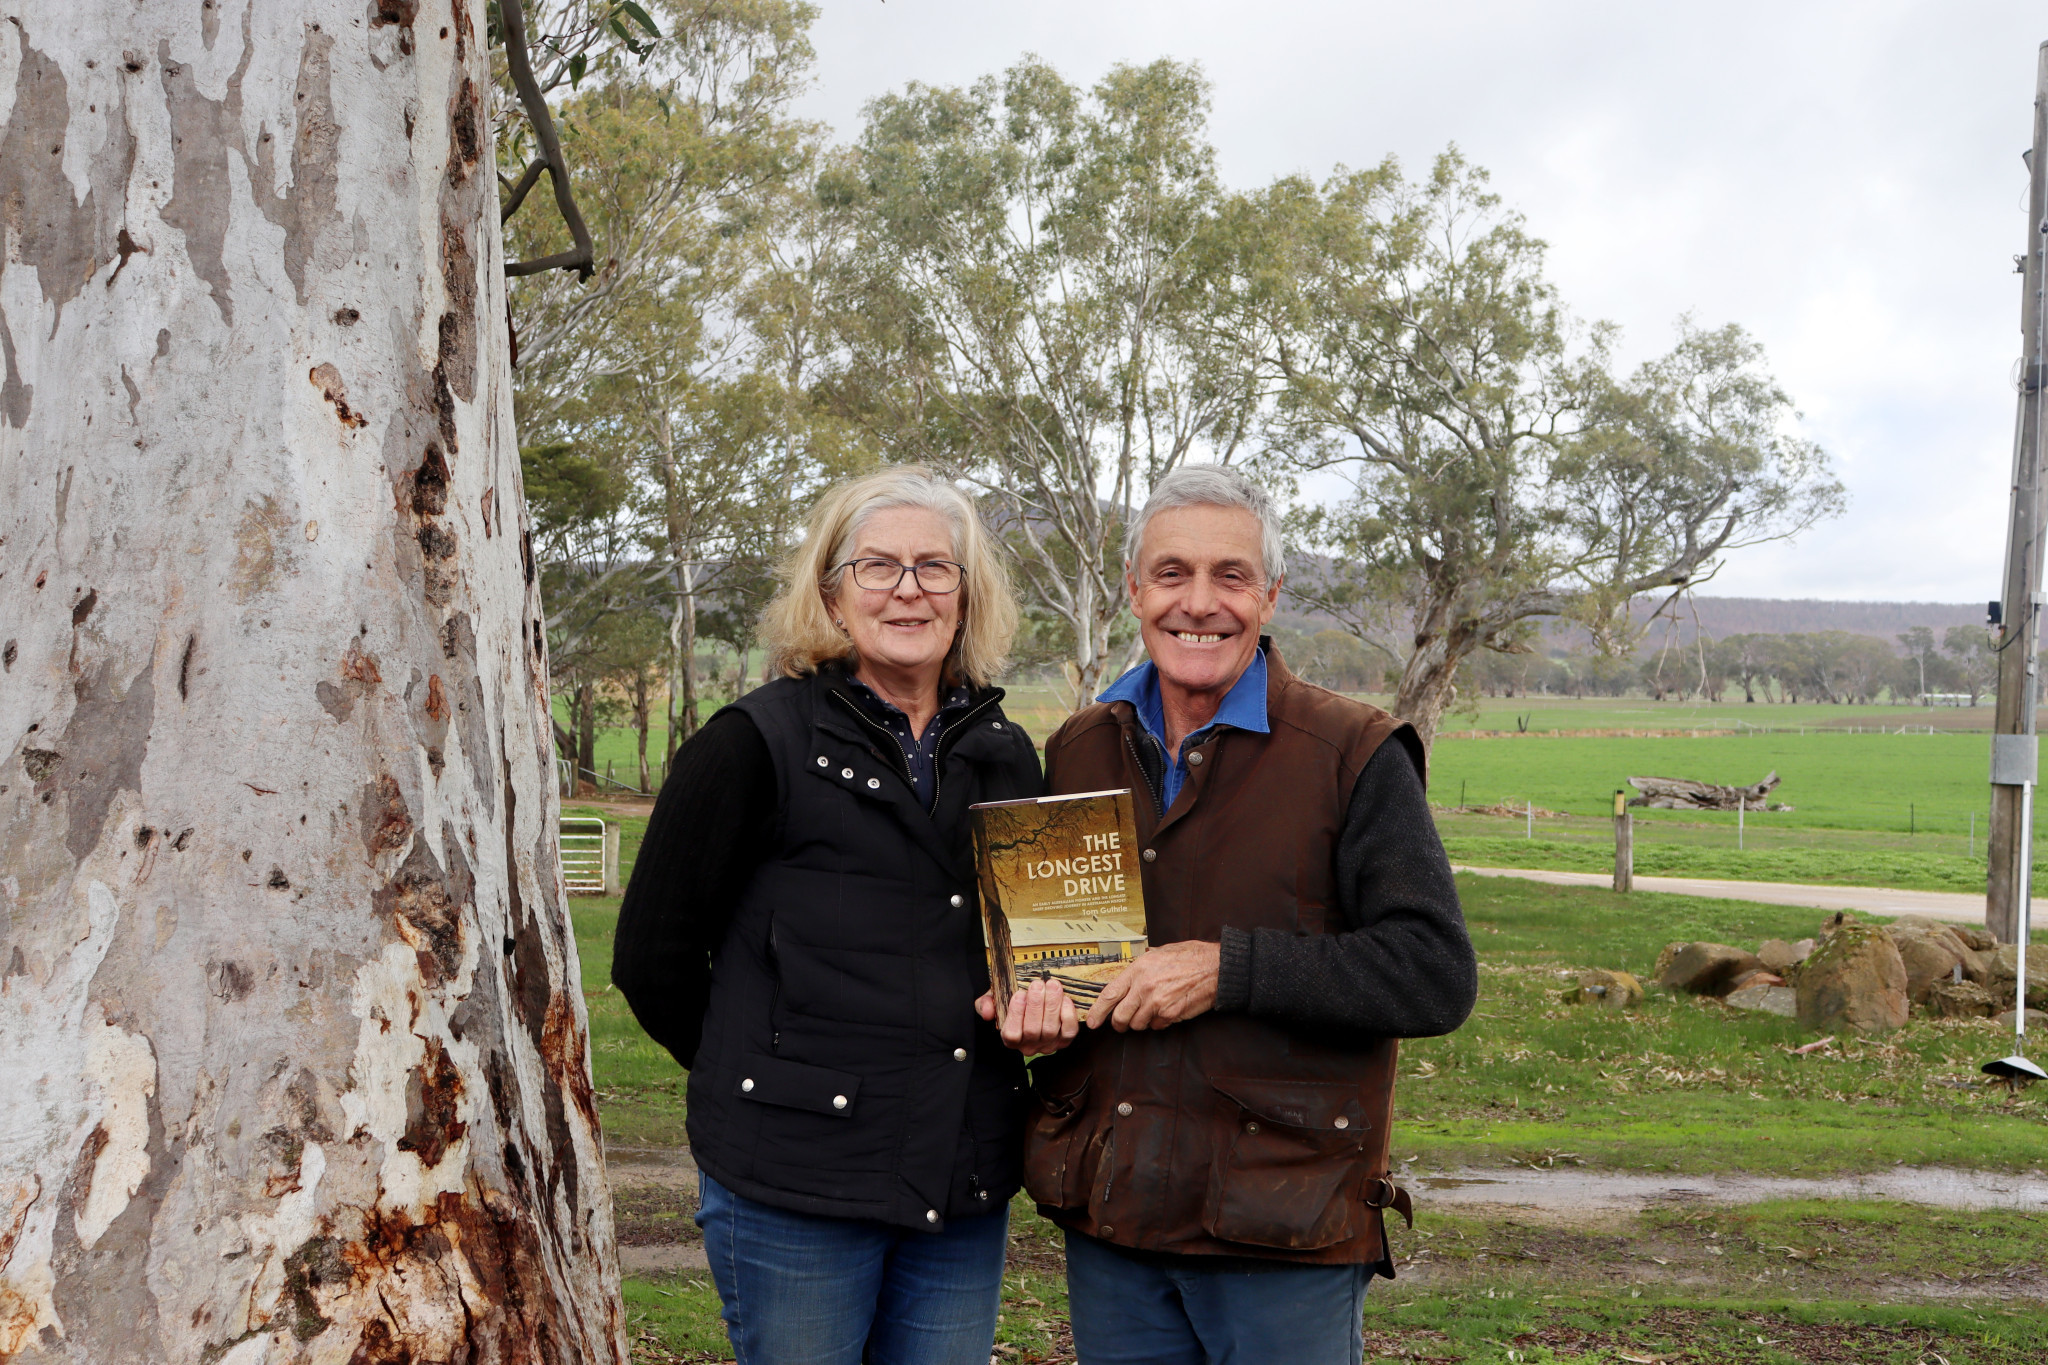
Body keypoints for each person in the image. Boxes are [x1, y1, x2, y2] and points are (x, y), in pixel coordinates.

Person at [982, 464, 1477, 1365]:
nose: (1198, 603)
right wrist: (1034, 1011)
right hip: (1115, 1222)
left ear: (1271, 594)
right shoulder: (1079, 746)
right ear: (1134, 589)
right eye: (1172, 573)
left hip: (1283, 1228)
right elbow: (1064, 964)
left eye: (1231, 576)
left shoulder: (1352, 751)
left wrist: (1225, 969)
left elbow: (1433, 972)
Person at [613, 467, 1043, 1365]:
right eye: (877, 566)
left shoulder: (1005, 756)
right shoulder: (748, 745)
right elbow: (652, 961)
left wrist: (1041, 1007)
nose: (908, 589)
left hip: (959, 1182)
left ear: (968, 594)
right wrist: (775, 1081)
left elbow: (1032, 962)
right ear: (832, 591)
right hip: (793, 1188)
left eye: (935, 567)